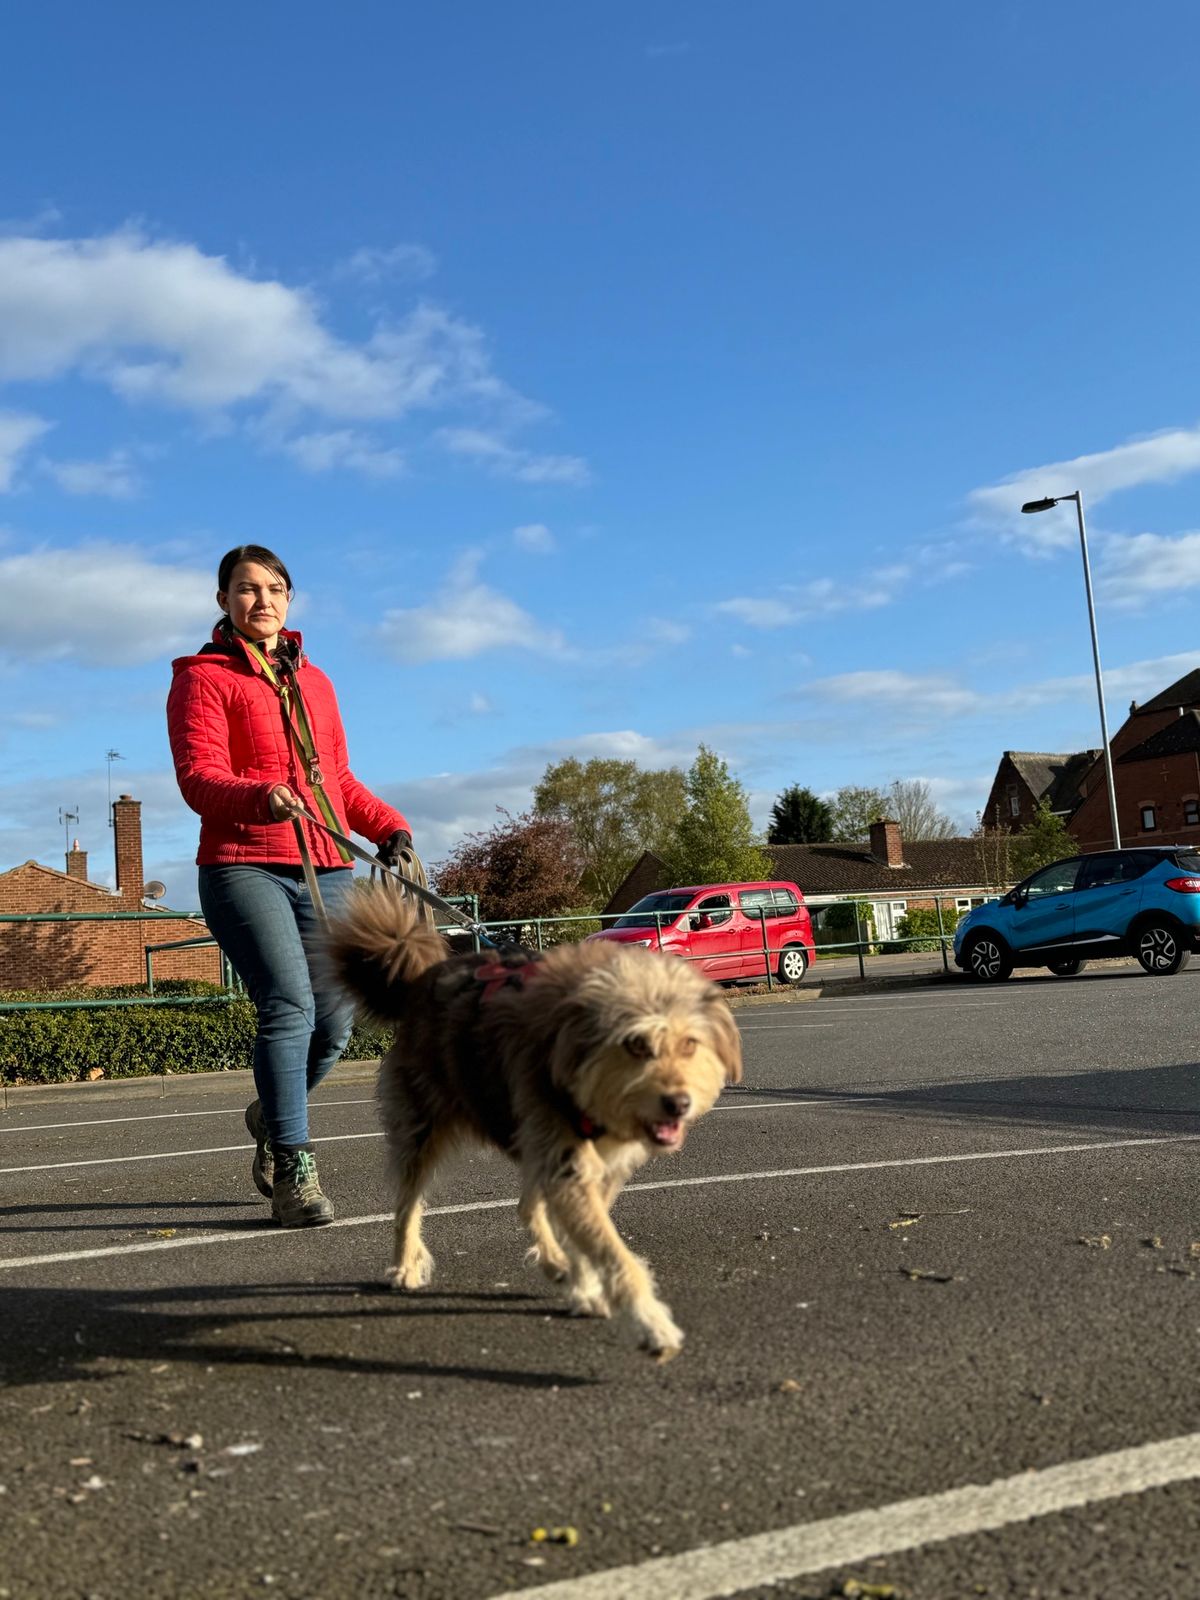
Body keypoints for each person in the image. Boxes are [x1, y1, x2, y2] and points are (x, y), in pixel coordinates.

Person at [167, 544, 412, 1227]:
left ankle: (275, 1111)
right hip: (243, 862)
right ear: (224, 601)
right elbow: (199, 778)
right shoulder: (202, 679)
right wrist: (261, 795)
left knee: (336, 1020)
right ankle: (294, 1169)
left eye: (274, 588)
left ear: (290, 600)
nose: (262, 600)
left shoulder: (320, 683)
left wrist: (389, 826)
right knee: (288, 1005)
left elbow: (338, 783)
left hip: (326, 864)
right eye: (246, 589)